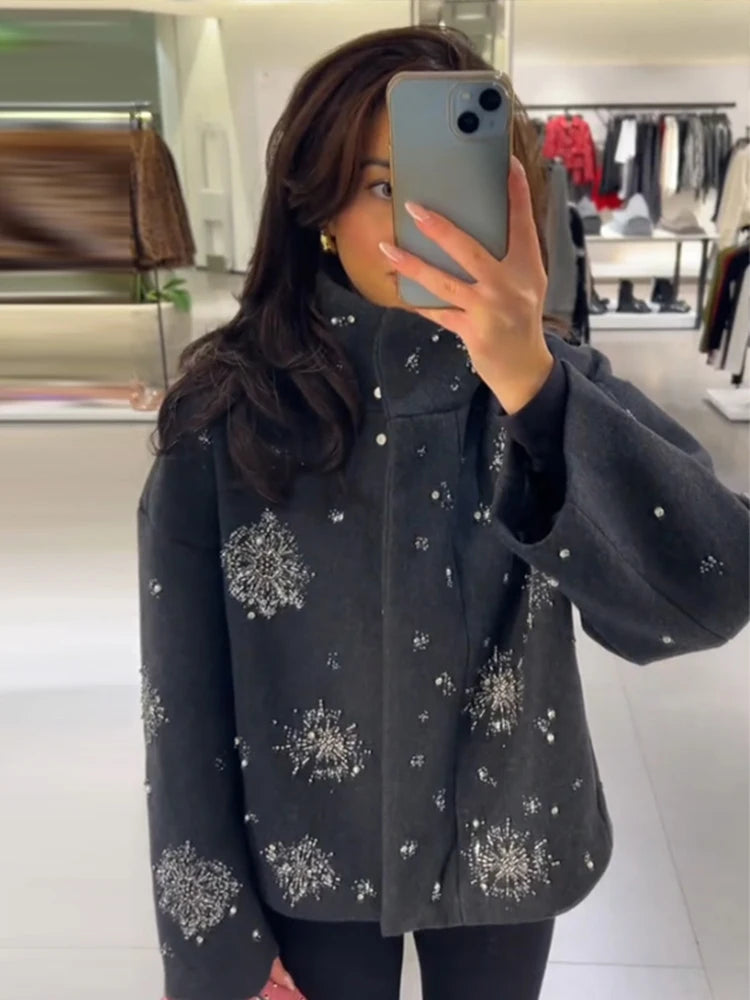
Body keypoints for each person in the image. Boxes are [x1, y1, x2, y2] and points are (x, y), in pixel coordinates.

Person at [137, 25, 750, 1000]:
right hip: (307, 849)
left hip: (510, 838)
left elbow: (708, 591)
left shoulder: (552, 388)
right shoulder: (228, 416)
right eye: (382, 185)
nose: (425, 221)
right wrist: (216, 943)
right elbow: (181, 698)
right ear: (316, 205)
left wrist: (534, 386)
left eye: (454, 188)